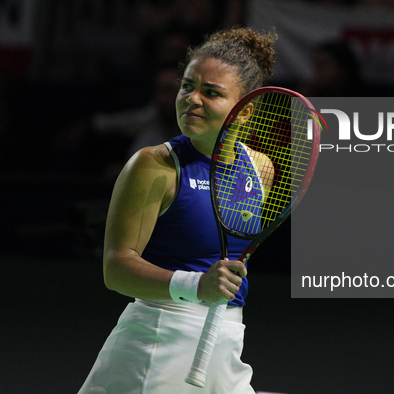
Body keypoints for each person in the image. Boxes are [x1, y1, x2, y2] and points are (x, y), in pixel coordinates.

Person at [78, 27, 277, 394]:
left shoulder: (261, 169)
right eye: (187, 86)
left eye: (211, 92)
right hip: (158, 340)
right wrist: (196, 285)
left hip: (227, 337)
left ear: (245, 112)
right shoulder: (154, 165)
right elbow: (116, 268)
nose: (192, 99)